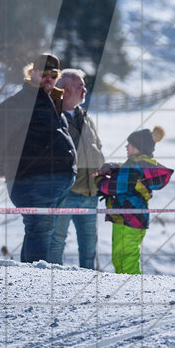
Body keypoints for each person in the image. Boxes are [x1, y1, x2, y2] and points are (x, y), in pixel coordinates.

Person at [0, 53, 77, 263]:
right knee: (40, 229)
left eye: (53, 75)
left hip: (53, 180)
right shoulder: (21, 102)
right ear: (32, 73)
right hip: (32, 178)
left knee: (40, 230)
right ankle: (35, 277)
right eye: (44, 73)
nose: (49, 78)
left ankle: (31, 275)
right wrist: (1, 168)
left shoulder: (53, 100)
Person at [96, 126, 174, 274]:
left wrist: (98, 179)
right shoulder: (141, 164)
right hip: (125, 218)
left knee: (128, 262)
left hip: (130, 220)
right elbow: (124, 172)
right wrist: (112, 167)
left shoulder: (135, 167)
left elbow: (111, 187)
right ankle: (122, 287)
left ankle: (133, 288)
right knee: (119, 259)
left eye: (131, 144)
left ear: (140, 148)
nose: (127, 147)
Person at [50, 69, 105, 269]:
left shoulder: (85, 117)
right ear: (65, 90)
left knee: (89, 249)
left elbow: (97, 147)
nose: (84, 90)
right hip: (66, 193)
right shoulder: (53, 117)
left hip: (89, 193)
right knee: (56, 244)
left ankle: (88, 285)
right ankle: (49, 282)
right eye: (80, 86)